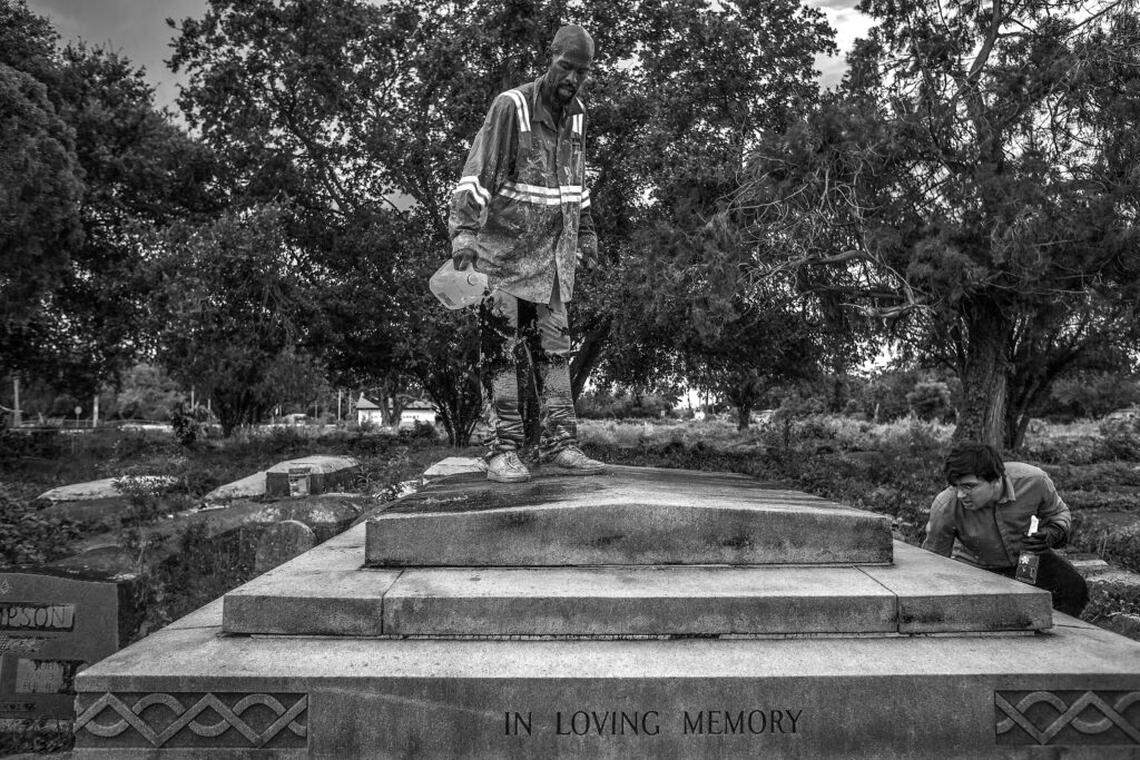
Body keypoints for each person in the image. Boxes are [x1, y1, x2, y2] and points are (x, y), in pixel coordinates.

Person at [448, 24, 605, 483]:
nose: (573, 79)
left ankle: (562, 445)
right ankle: (501, 450)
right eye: (567, 67)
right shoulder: (511, 108)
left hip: (553, 260)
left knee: (556, 353)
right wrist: (463, 236)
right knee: (498, 354)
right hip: (503, 260)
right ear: (550, 58)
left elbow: (577, 182)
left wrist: (589, 234)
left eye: (583, 72)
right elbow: (476, 176)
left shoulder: (577, 117)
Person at [922, 441, 1088, 617]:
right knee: (986, 615)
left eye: (968, 486)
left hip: (1027, 560)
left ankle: (1055, 635)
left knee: (1074, 589)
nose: (960, 494)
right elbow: (934, 561)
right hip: (977, 567)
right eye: (956, 486)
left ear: (995, 479)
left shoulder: (1035, 481)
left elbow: (1059, 513)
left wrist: (1053, 533)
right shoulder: (945, 505)